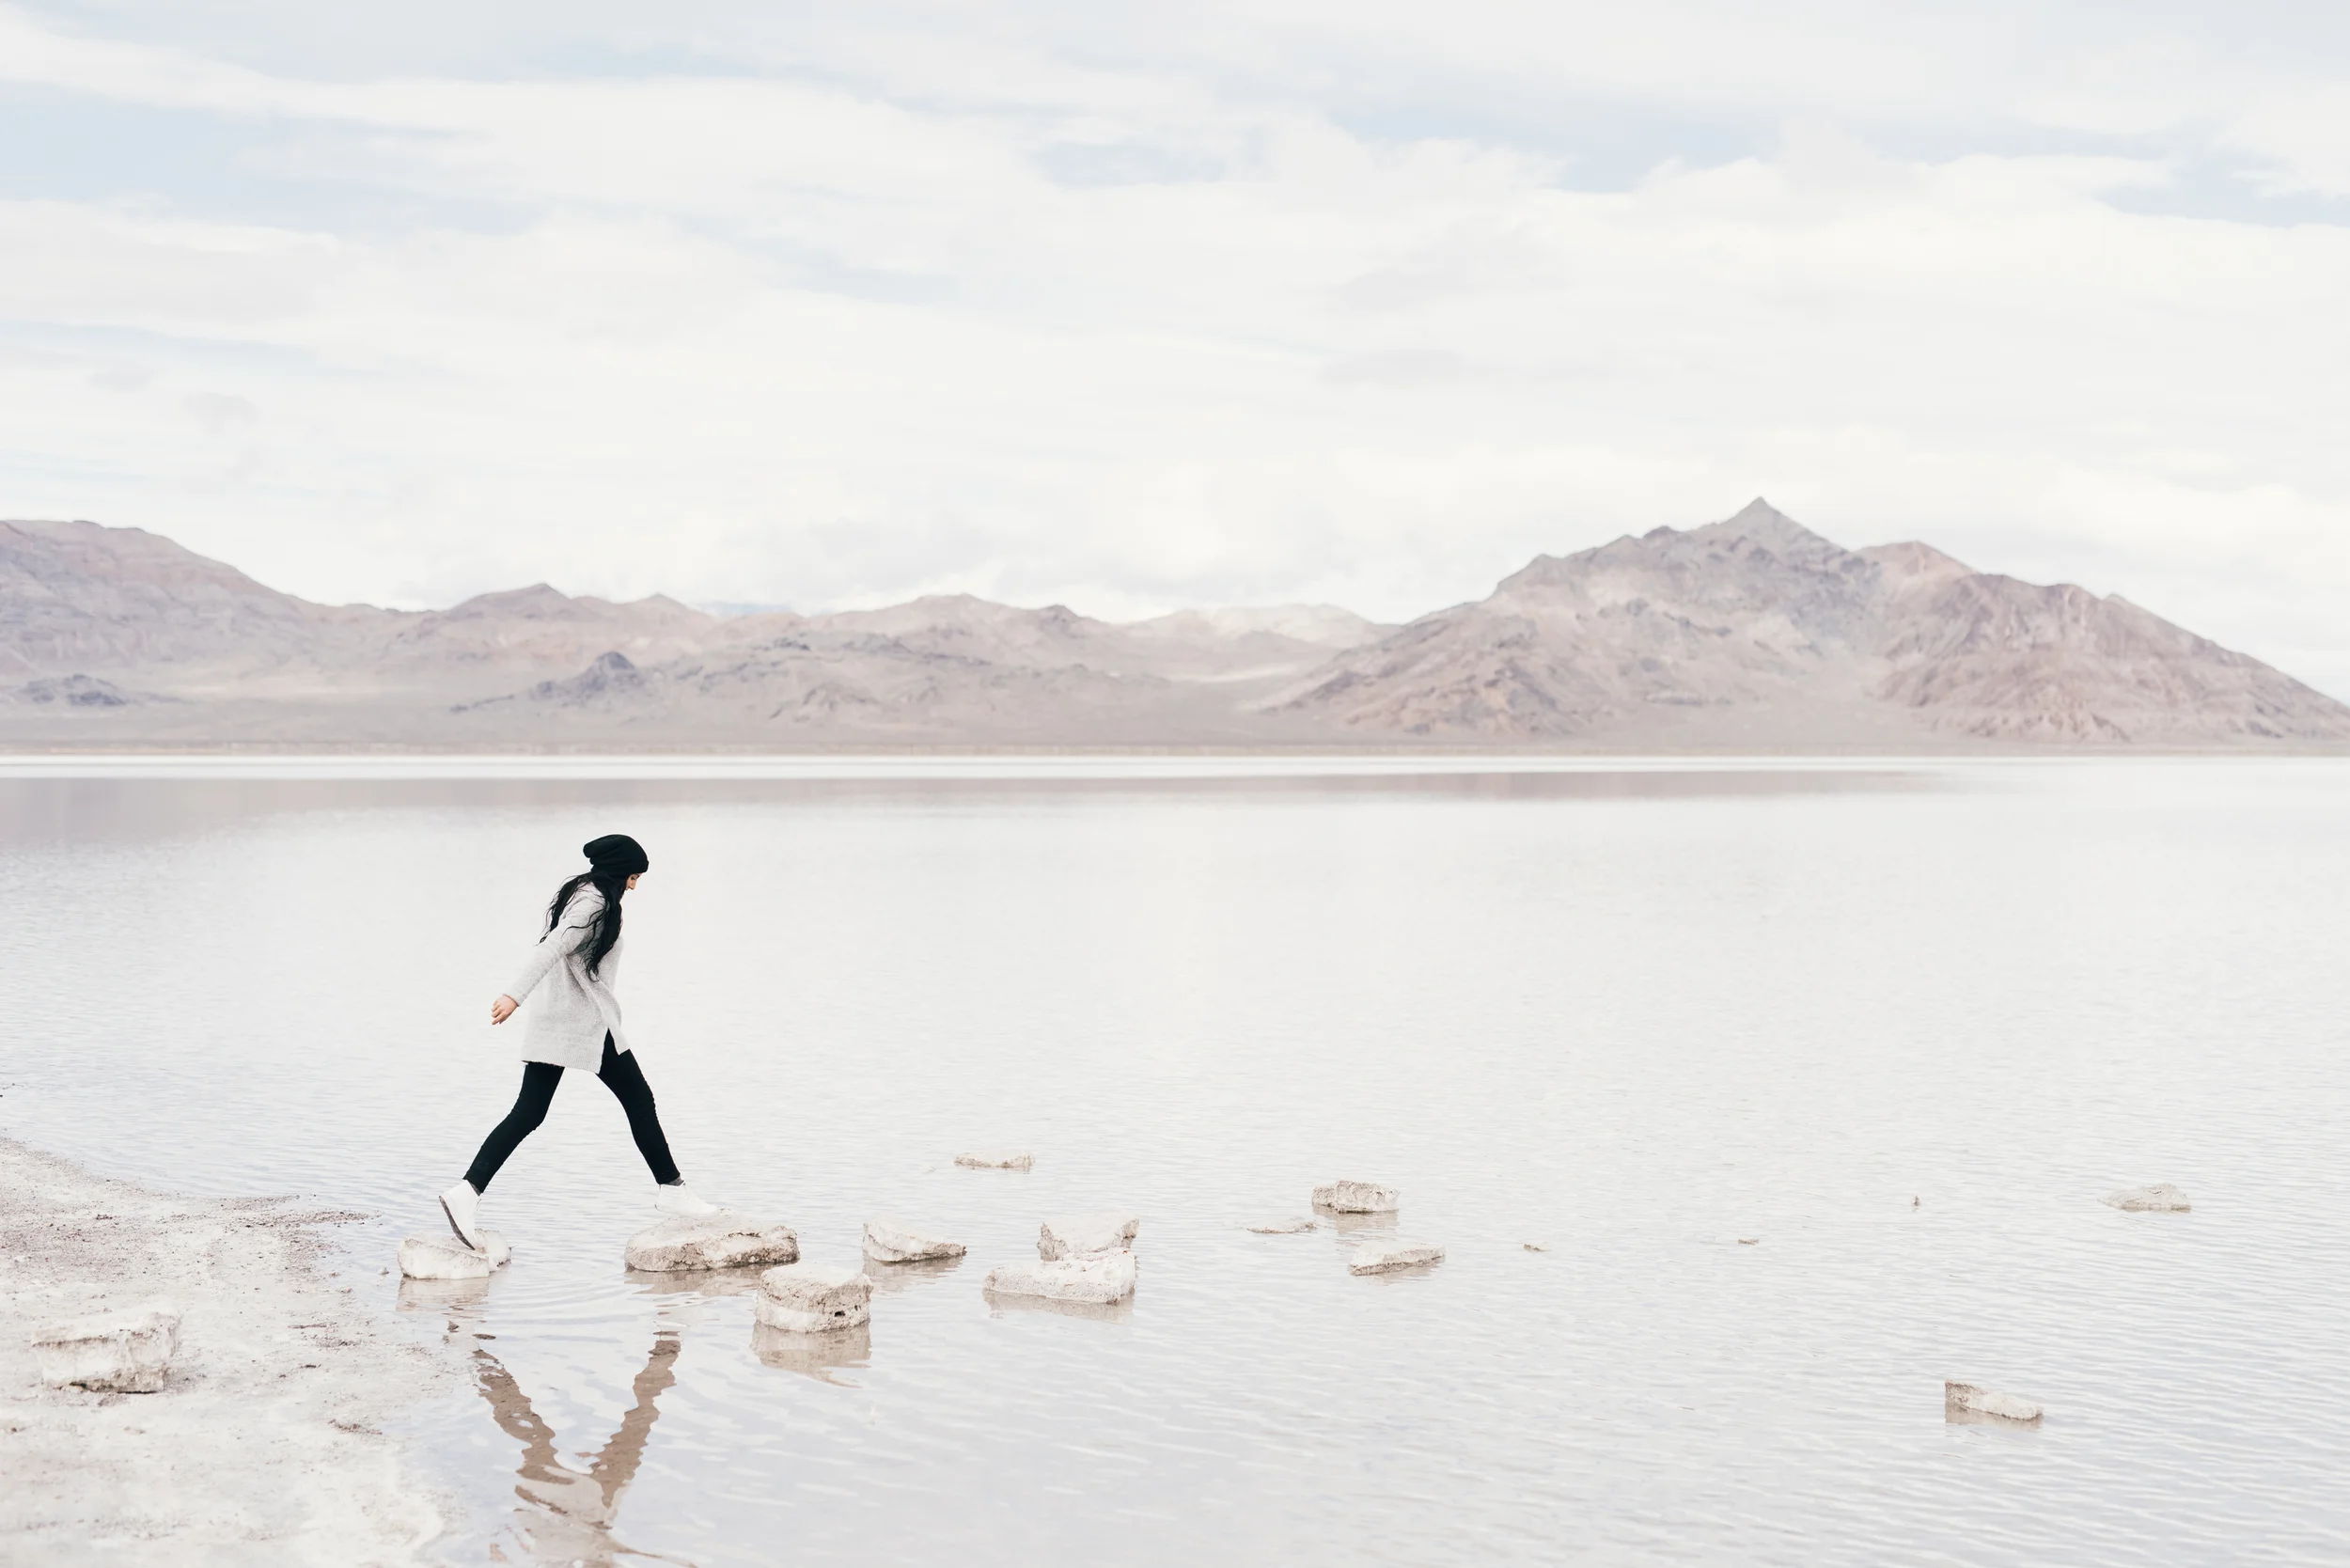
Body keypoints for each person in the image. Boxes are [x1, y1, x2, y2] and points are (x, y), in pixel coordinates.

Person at [438, 834, 716, 1250]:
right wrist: (514, 995)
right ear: (621, 873)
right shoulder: (594, 903)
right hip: (583, 1023)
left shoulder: (585, 891)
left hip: (562, 1020)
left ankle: (467, 1192)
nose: (635, 886)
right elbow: (551, 948)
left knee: (530, 1112)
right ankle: (672, 1188)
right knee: (639, 1100)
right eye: (634, 877)